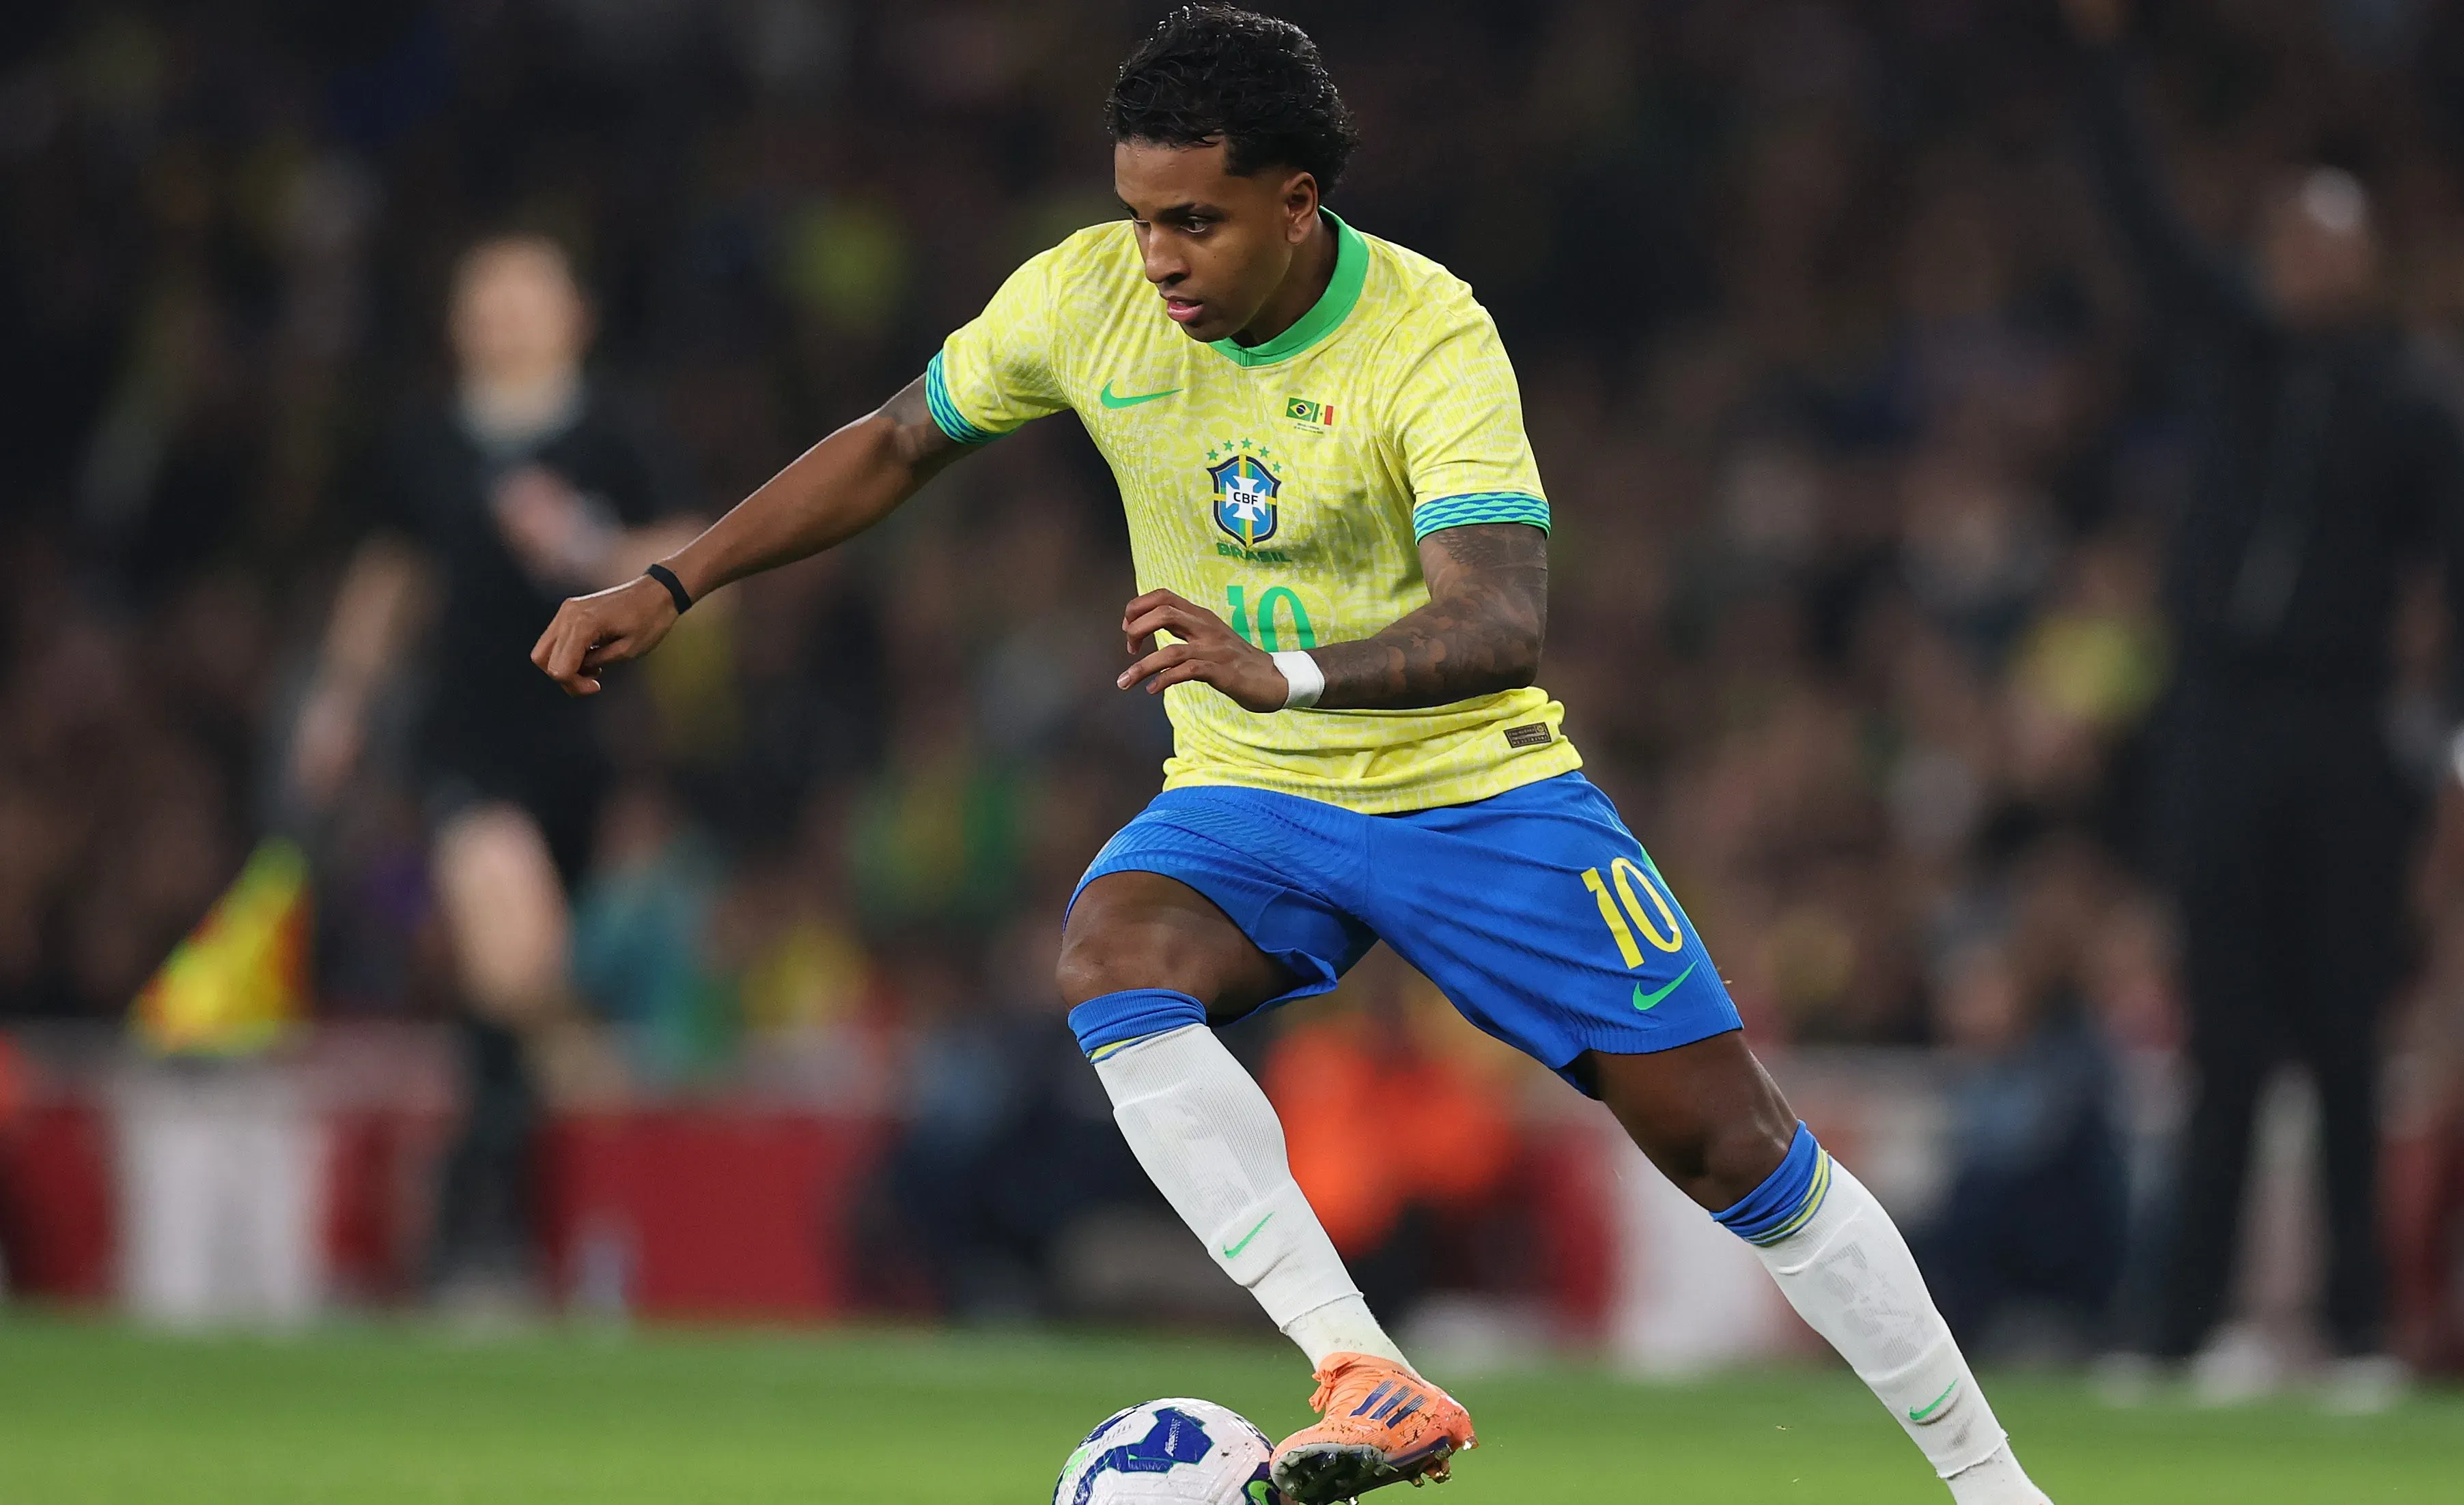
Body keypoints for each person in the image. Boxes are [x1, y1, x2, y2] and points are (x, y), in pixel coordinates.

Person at [531, 10, 2050, 1502]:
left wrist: (1291, 671)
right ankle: (1359, 1368)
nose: (1158, 257)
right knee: (1112, 958)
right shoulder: (1086, 298)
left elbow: (1503, 618)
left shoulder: (1427, 334)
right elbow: (893, 439)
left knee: (1733, 1150)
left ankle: (1994, 1488)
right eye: (1137, 217)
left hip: (1474, 791)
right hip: (1252, 797)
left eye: (1195, 220)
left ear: (1296, 201)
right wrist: (672, 582)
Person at [2060, 0, 2464, 1405]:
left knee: (2346, 1037)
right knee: (2225, 1039)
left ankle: (2361, 1329)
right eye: (2292, 243)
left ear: (2368, 263)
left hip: (2343, 727)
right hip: (2220, 721)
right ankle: (2181, 1329)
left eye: (2331, 245)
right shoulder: (2233, 348)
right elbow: (2142, 220)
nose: (2306, 267)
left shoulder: (2416, 403)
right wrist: (2106, 63)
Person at [290, 234, 694, 1303]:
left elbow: (693, 553)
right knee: (512, 946)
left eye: (528, 295)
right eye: (486, 296)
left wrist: (587, 544)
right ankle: (543, 1139)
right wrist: (341, 700)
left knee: (498, 996)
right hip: (467, 742)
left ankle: (485, 1220)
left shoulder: (615, 434)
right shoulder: (425, 442)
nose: (506, 316)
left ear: (576, 315)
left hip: (592, 749)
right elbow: (391, 575)